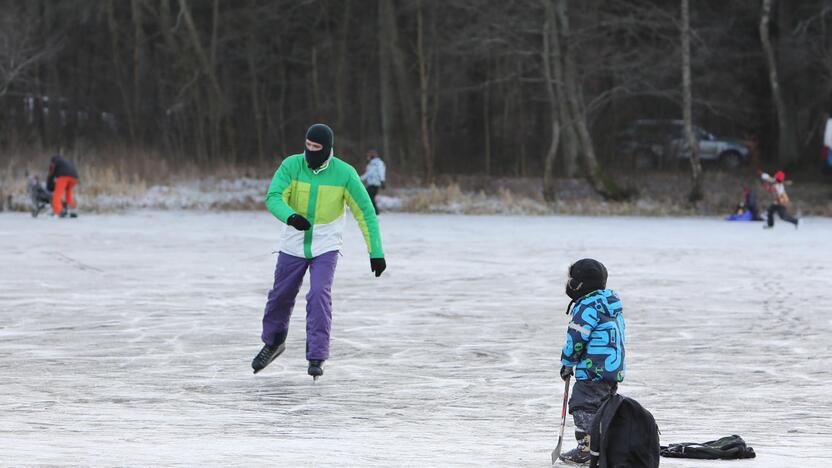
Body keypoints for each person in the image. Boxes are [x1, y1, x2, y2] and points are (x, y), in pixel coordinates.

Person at [252, 123, 386, 380]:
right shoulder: (291, 165)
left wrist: (376, 252)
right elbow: (274, 196)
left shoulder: (344, 174)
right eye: (308, 145)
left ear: (327, 149)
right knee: (280, 295)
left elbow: (365, 212)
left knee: (318, 294)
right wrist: (290, 217)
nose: (310, 151)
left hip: (326, 245)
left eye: (316, 148)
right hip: (293, 243)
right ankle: (273, 342)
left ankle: (317, 355)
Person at [558, 258, 625, 465]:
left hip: (592, 368)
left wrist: (568, 362)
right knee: (602, 407)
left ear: (580, 284)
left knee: (582, 404)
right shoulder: (611, 302)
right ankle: (603, 447)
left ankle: (586, 448)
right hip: (613, 367)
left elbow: (577, 338)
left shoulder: (586, 306)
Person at [360, 149, 386, 214]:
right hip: (371, 183)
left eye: (368, 156)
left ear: (372, 156)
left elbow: (381, 172)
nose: (367, 158)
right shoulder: (371, 164)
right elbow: (368, 174)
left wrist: (382, 181)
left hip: (375, 183)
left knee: (368, 196)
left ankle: (375, 212)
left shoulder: (378, 163)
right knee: (369, 197)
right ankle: (374, 212)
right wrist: (359, 179)